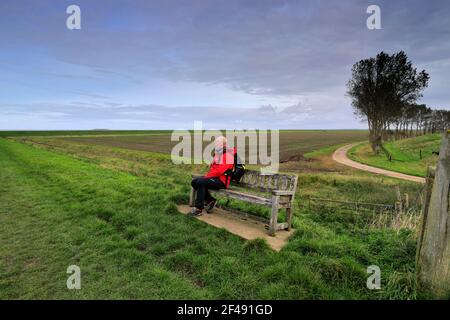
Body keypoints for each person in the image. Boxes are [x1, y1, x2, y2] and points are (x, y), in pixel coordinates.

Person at [190, 136, 234, 216]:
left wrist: (207, 177)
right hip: (214, 178)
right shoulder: (218, 153)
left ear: (223, 144)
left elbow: (219, 171)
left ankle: (198, 209)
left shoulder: (228, 155)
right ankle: (210, 201)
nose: (215, 144)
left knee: (200, 182)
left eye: (217, 142)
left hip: (222, 181)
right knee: (194, 182)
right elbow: (214, 168)